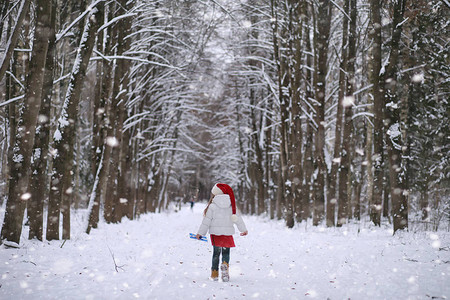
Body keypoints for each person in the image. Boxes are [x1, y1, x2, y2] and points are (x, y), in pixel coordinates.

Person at [196, 183, 248, 282]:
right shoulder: (231, 205)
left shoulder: (212, 206)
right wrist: (243, 230)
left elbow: (206, 222)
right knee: (226, 252)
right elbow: (238, 219)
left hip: (216, 233)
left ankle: (214, 273)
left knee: (216, 253)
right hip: (227, 233)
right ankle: (225, 265)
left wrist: (200, 233)